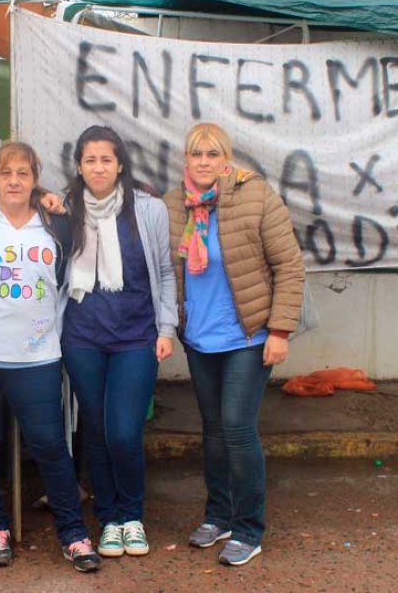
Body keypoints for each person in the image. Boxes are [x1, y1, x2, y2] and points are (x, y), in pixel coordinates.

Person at [0, 141, 101, 573]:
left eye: (23, 173)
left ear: (34, 179)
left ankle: (73, 533)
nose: (14, 180)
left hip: (35, 355)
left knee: (48, 442)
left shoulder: (55, 223)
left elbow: (65, 277)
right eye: (5, 172)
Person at [163, 122, 304, 567]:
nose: (203, 162)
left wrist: (280, 331)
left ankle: (249, 528)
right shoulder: (174, 203)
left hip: (249, 334)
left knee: (237, 428)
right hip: (200, 337)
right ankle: (218, 515)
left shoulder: (256, 196)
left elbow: (290, 266)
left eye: (212, 154)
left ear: (226, 159)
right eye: (195, 154)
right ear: (186, 160)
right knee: (213, 430)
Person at [60, 125, 176, 558]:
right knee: (95, 429)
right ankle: (108, 519)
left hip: (135, 335)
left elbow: (164, 270)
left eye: (106, 159)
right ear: (78, 166)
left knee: (124, 431)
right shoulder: (65, 207)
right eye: (89, 160)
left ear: (121, 164)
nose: (98, 167)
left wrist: (166, 329)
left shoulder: (147, 209)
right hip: (81, 337)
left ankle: (133, 515)